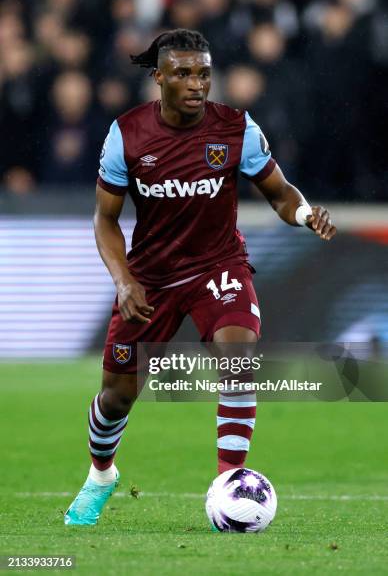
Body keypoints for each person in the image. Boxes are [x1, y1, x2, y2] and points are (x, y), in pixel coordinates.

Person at [64, 28, 336, 526]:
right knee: (116, 395)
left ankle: (229, 484)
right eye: (184, 74)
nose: (197, 84)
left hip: (218, 266)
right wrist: (124, 281)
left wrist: (302, 215)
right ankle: (101, 474)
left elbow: (279, 192)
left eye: (205, 74)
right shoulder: (126, 134)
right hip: (149, 277)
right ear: (159, 78)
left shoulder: (236, 129)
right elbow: (105, 219)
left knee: (238, 358)